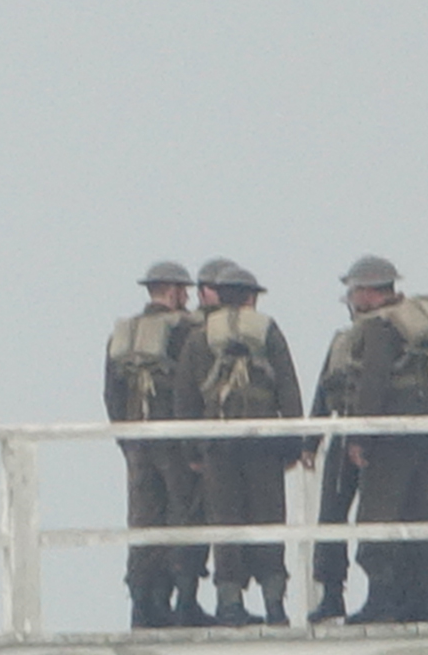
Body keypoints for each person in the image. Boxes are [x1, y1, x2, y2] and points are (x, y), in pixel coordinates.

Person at [174, 264, 304, 626]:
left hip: (217, 445)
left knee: (224, 521)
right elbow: (289, 391)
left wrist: (192, 451)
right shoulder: (268, 331)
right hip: (263, 444)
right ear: (250, 298)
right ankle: (275, 604)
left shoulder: (200, 337)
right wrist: (294, 446)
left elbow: (185, 399)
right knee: (267, 520)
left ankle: (229, 603)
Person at [339, 256, 428, 624]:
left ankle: (381, 600)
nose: (352, 298)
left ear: (370, 291)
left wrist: (360, 437)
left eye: (355, 290)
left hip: (388, 440)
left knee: (379, 515)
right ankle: (423, 601)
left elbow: (373, 383)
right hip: (422, 434)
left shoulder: (379, 327)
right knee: (418, 515)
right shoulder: (415, 324)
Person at [105, 261, 209, 627]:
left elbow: (111, 394)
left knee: (143, 522)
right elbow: (192, 387)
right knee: (183, 516)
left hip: (136, 440)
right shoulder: (186, 332)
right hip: (174, 442)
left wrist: (125, 438)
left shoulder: (124, 334)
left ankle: (143, 604)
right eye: (185, 290)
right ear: (174, 290)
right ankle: (182, 602)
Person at [305, 289, 365, 623]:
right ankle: (331, 594)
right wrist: (309, 442)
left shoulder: (388, 334)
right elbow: (323, 390)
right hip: (342, 434)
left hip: (374, 441)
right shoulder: (341, 341)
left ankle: (386, 593)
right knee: (330, 517)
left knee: (378, 519)